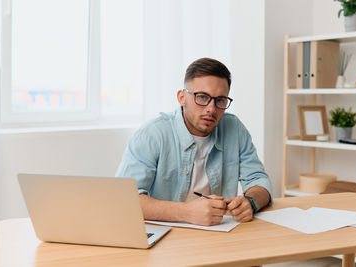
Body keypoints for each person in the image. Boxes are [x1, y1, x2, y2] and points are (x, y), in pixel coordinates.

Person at [116, 57, 272, 226]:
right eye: (202, 97)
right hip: (164, 239)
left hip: (217, 235)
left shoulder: (234, 129)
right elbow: (124, 200)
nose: (211, 109)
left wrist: (251, 202)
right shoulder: (151, 135)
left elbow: (259, 180)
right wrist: (187, 212)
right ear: (182, 97)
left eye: (220, 100)